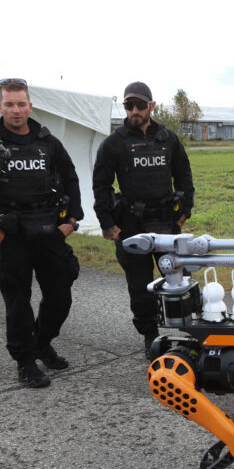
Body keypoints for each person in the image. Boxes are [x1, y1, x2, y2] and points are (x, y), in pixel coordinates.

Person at [0, 78, 82, 388]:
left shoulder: (47, 141)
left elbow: (70, 179)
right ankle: (25, 360)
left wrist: (70, 222)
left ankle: (42, 341)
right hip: (10, 235)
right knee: (18, 303)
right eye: (9, 104)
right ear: (0, 106)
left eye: (21, 104)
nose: (16, 110)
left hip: (48, 230)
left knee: (60, 295)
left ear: (30, 106)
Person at [92, 81, 194, 351]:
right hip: (131, 223)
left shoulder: (169, 139)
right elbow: (101, 185)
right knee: (140, 285)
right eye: (128, 105)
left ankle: (187, 330)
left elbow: (184, 175)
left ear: (152, 106)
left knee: (176, 280)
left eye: (139, 105)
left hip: (165, 222)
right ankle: (150, 335)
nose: (134, 110)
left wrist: (184, 212)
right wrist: (107, 223)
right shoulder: (114, 143)